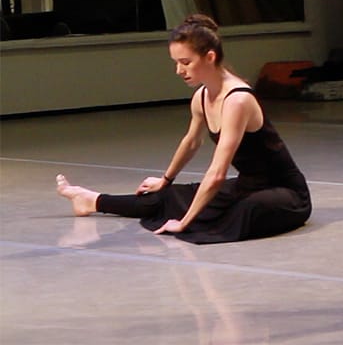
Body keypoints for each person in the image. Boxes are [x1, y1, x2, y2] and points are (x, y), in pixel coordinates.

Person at [55, 14, 311, 244]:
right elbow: (191, 142)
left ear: (210, 57)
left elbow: (218, 173)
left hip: (285, 193)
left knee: (244, 210)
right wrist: (166, 180)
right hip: (247, 185)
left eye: (186, 62)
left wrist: (184, 222)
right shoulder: (201, 96)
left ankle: (197, 217)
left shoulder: (238, 100)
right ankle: (91, 199)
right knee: (167, 196)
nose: (179, 70)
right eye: (176, 63)